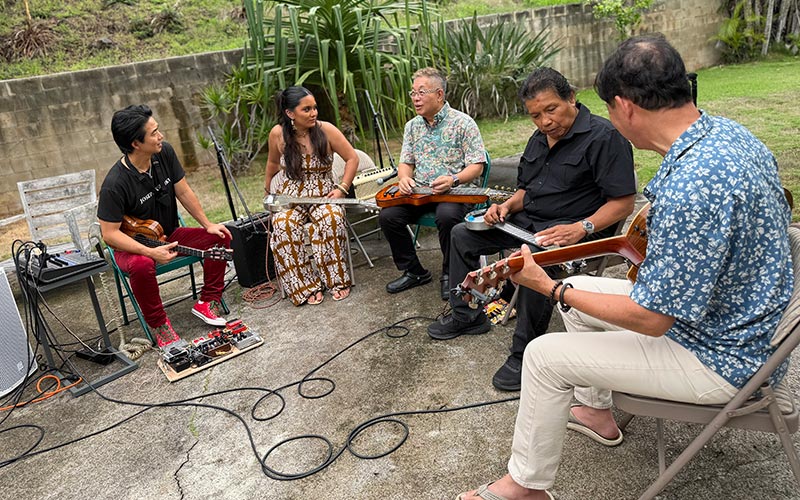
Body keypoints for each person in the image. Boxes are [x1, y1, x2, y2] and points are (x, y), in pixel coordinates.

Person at [456, 35, 793, 500]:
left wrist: (548, 289)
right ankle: (596, 412)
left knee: (544, 355)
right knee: (578, 285)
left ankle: (525, 487)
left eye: (608, 111)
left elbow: (652, 320)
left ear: (623, 107)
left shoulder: (693, 187)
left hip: (724, 358)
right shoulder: (729, 134)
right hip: (741, 324)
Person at [427, 67, 636, 392]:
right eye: (535, 115)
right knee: (461, 235)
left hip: (574, 233)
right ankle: (468, 315)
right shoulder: (539, 139)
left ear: (571, 98)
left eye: (550, 110)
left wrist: (581, 228)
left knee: (534, 258)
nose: (544, 122)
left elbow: (622, 203)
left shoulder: (604, 137)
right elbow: (528, 190)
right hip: (530, 223)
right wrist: (507, 207)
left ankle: (526, 354)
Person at [98, 104, 233, 348]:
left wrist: (207, 224)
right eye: (154, 133)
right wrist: (150, 252)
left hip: (168, 235)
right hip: (132, 248)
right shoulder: (114, 184)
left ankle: (208, 302)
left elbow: (183, 190)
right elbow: (109, 234)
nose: (161, 136)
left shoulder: (164, 153)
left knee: (220, 236)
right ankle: (160, 326)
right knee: (141, 266)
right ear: (136, 143)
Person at [379, 67, 487, 301]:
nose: (415, 98)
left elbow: (477, 165)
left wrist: (454, 179)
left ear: (439, 94)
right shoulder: (412, 127)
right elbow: (406, 162)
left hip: (455, 193)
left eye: (421, 92)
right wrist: (405, 178)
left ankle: (451, 273)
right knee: (388, 216)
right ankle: (414, 271)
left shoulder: (463, 123)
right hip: (420, 193)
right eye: (413, 92)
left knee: (447, 216)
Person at [265, 86, 359, 306]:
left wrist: (342, 189)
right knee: (282, 224)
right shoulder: (278, 134)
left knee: (331, 217)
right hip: (291, 197)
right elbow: (271, 164)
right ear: (290, 113)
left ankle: (337, 281)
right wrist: (268, 192)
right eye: (306, 109)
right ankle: (305, 286)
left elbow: (352, 158)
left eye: (314, 108)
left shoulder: (326, 130)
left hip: (323, 195)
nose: (313, 113)